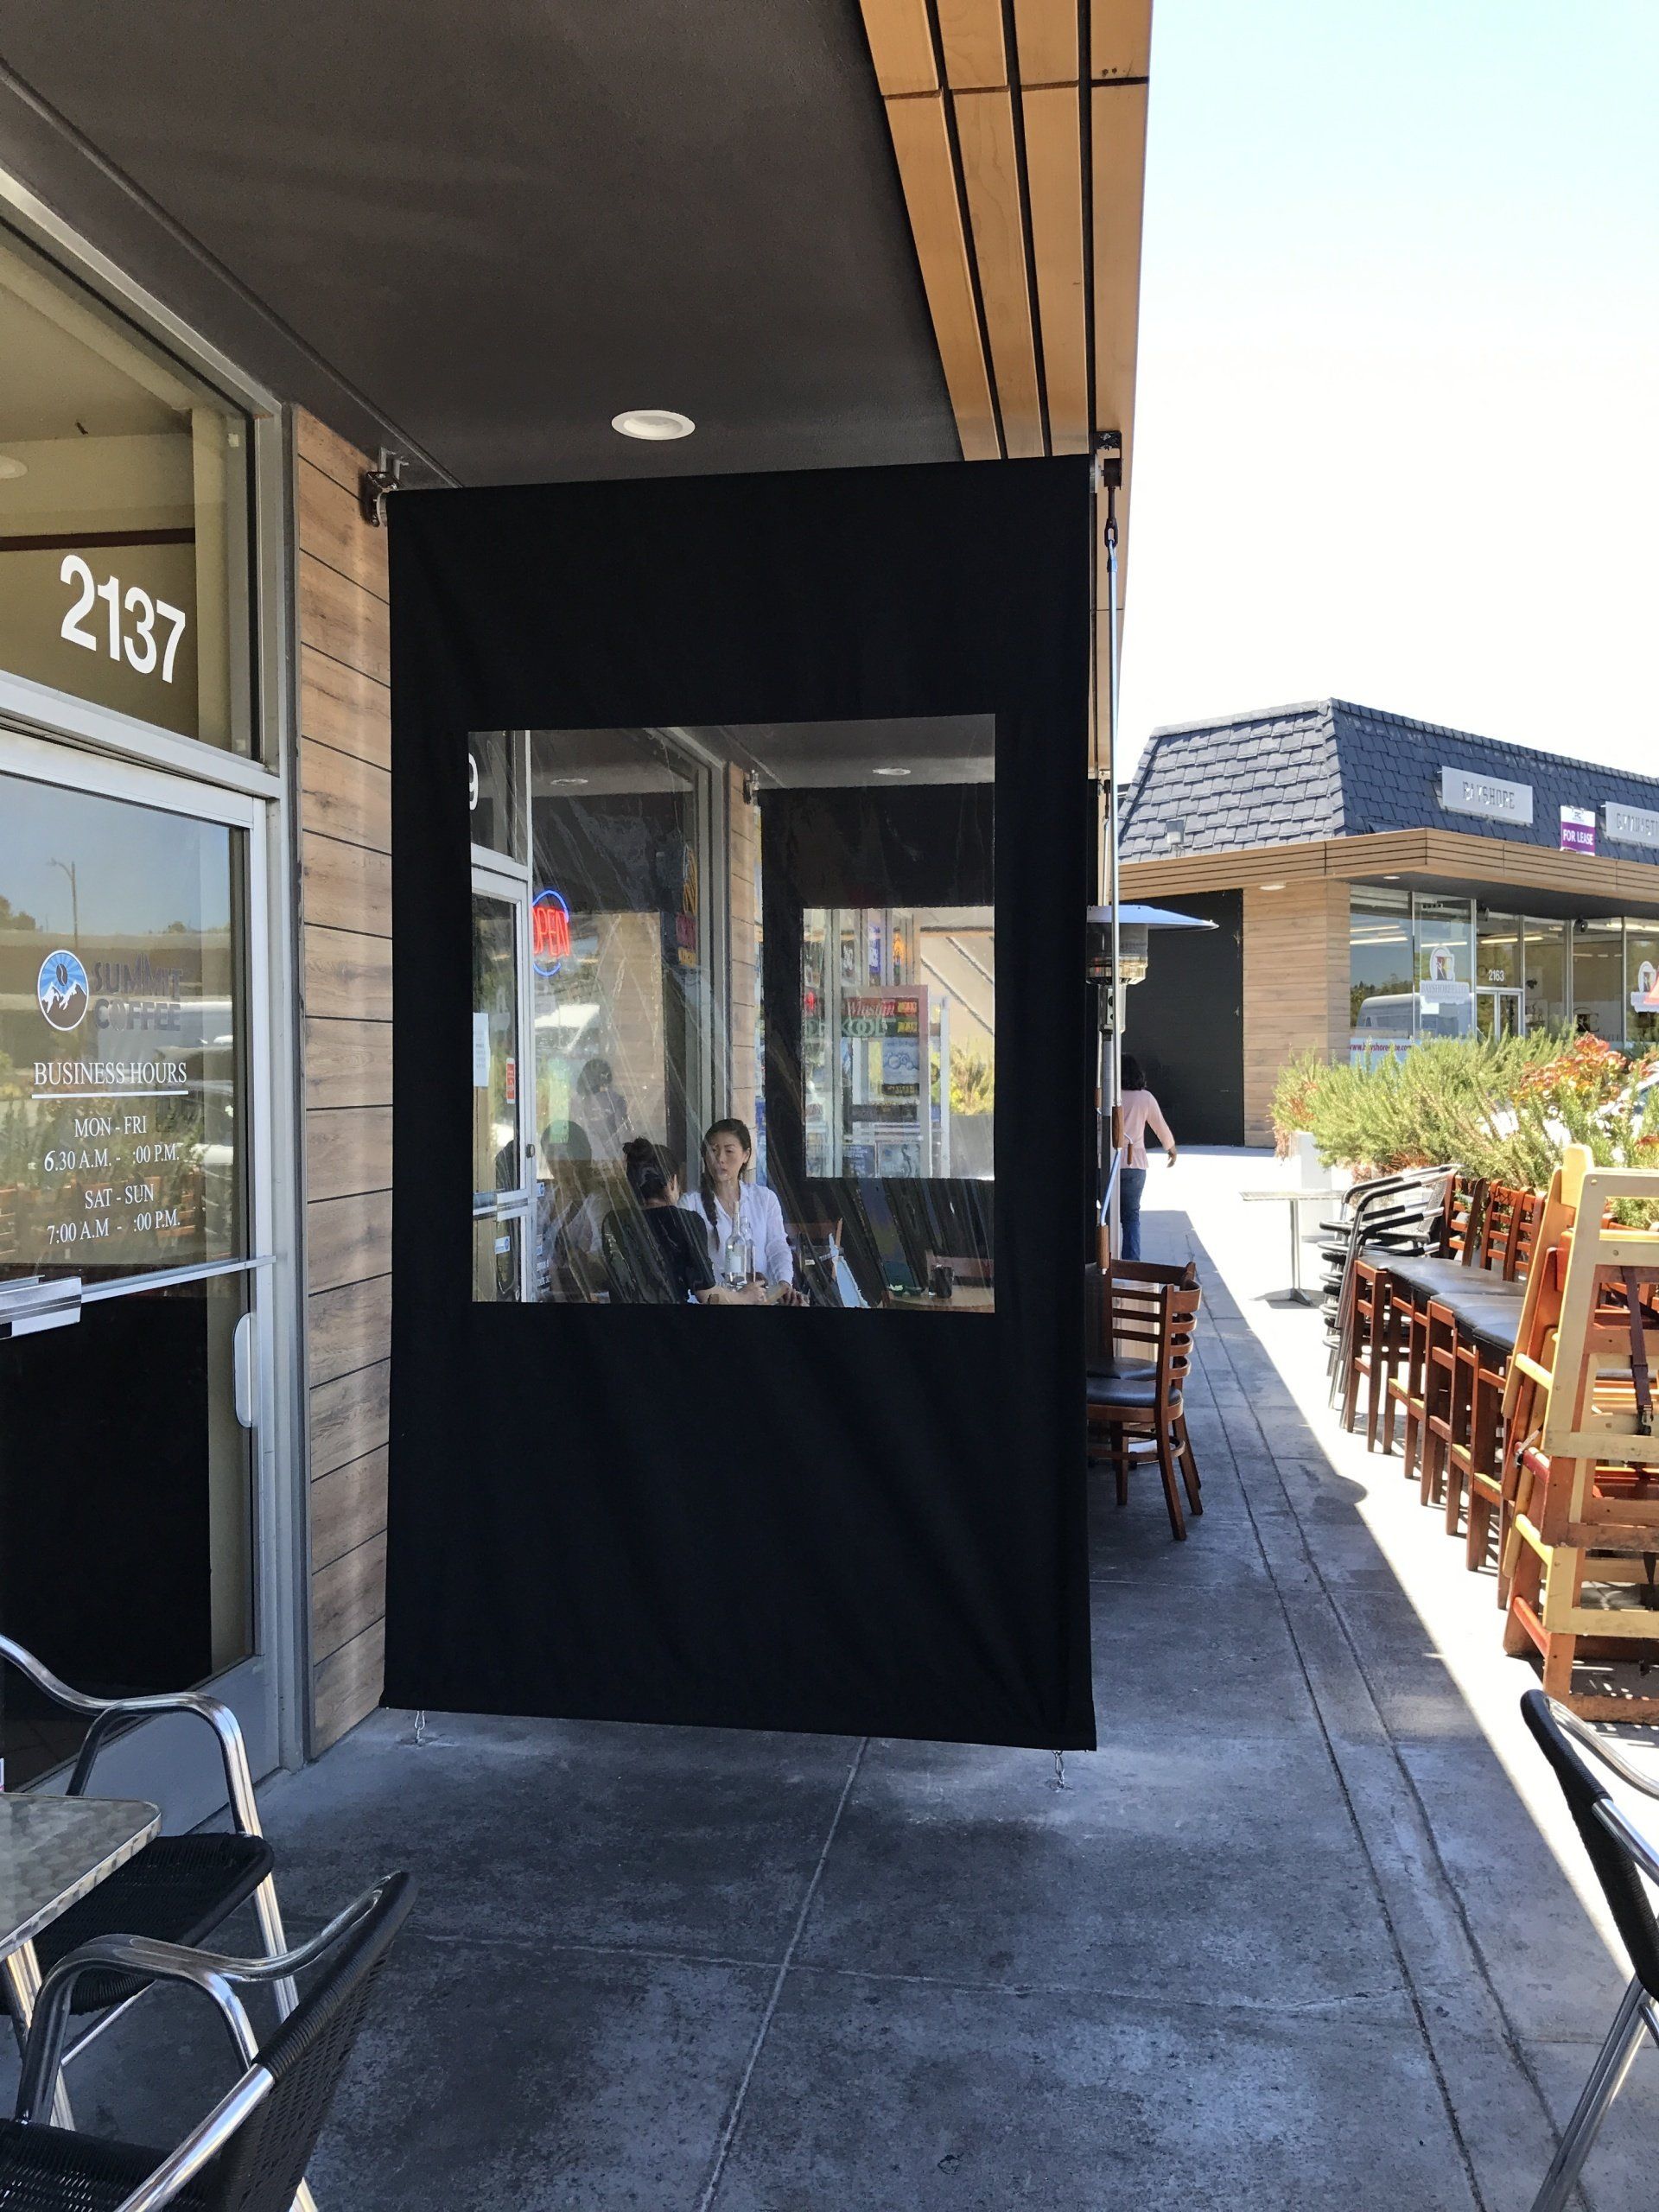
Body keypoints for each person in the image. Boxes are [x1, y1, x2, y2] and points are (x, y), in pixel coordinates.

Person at [619, 1139, 759, 1305]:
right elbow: (707, 1295)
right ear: (673, 1182)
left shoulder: (617, 1222)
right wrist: (745, 1297)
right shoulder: (686, 1222)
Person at [682, 1116, 803, 1301]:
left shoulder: (764, 1199)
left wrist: (784, 1283)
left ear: (746, 1155)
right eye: (713, 1151)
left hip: (763, 1299)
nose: (720, 1159)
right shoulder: (690, 1204)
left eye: (729, 1151)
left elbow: (777, 1247)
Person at [1116, 1055, 1177, 1263]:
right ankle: (1131, 1267)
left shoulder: (1107, 1097)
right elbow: (1160, 1126)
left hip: (1104, 1162)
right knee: (1131, 1217)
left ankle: (1104, 1264)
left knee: (1104, 1218)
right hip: (1135, 1164)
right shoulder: (1145, 1098)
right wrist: (1171, 1148)